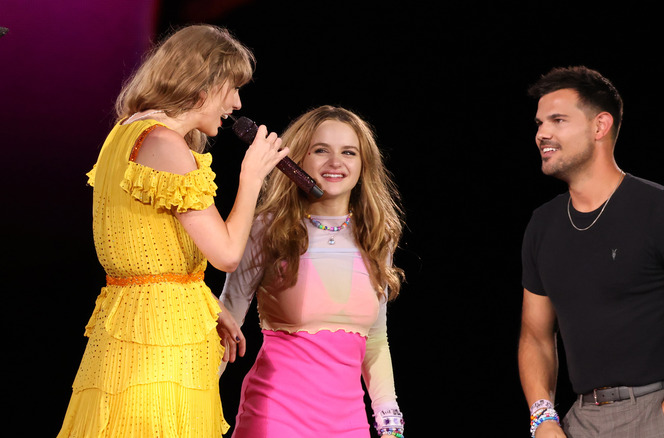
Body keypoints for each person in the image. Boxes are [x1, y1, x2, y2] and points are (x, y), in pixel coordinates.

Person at [57, 24, 289, 437]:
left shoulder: (124, 133)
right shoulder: (164, 143)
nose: (235, 103)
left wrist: (209, 305)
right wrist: (252, 176)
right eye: (231, 88)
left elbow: (149, 253)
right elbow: (228, 254)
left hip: (139, 325)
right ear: (202, 82)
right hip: (161, 342)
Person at [517, 66, 664, 438]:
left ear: (600, 126)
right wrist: (543, 418)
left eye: (558, 120)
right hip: (580, 419)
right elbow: (535, 335)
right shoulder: (543, 225)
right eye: (540, 122)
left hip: (659, 411)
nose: (542, 133)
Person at [219, 105, 406, 438]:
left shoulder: (378, 235)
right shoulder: (266, 228)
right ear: (297, 160)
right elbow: (227, 319)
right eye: (321, 150)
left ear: (363, 165)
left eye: (349, 152)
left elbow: (375, 340)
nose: (336, 162)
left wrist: (389, 419)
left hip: (349, 424)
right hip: (274, 417)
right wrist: (193, 400)